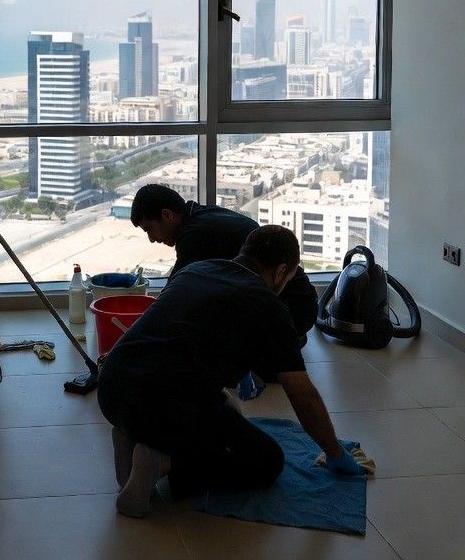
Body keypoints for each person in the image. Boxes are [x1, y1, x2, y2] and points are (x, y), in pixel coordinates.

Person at [97, 225, 364, 519]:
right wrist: (335, 453)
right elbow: (304, 395)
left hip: (112, 388)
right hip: (161, 407)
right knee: (266, 461)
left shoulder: (197, 270)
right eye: (288, 278)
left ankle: (130, 434)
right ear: (281, 271)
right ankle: (161, 462)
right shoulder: (269, 307)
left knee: (219, 406)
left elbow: (165, 331)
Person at [130, 184, 318, 347]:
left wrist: (134, 337)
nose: (152, 239)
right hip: (297, 307)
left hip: (292, 311)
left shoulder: (195, 235)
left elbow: (172, 298)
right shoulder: (202, 216)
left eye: (150, 229)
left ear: (167, 214)